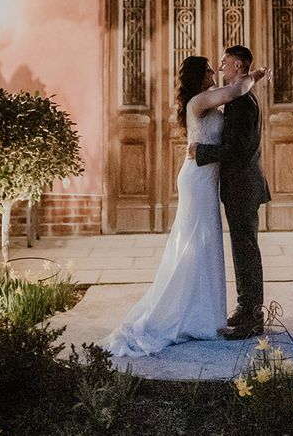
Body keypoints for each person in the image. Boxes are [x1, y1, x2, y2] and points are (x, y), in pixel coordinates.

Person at [104, 56, 267, 357]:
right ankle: (188, 314)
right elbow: (234, 91)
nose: (214, 71)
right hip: (197, 180)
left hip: (207, 179)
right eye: (208, 69)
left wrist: (249, 76)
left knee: (204, 244)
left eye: (219, 65)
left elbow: (235, 107)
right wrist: (253, 75)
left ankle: (205, 314)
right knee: (195, 243)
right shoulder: (200, 100)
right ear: (198, 76)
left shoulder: (209, 99)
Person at [188, 45, 271, 340]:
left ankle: (253, 316)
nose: (221, 67)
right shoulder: (239, 97)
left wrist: (201, 152)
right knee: (242, 248)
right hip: (239, 185)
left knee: (246, 249)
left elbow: (238, 149)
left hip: (243, 186)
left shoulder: (241, 103)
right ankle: (245, 306)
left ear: (237, 65)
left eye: (224, 63)